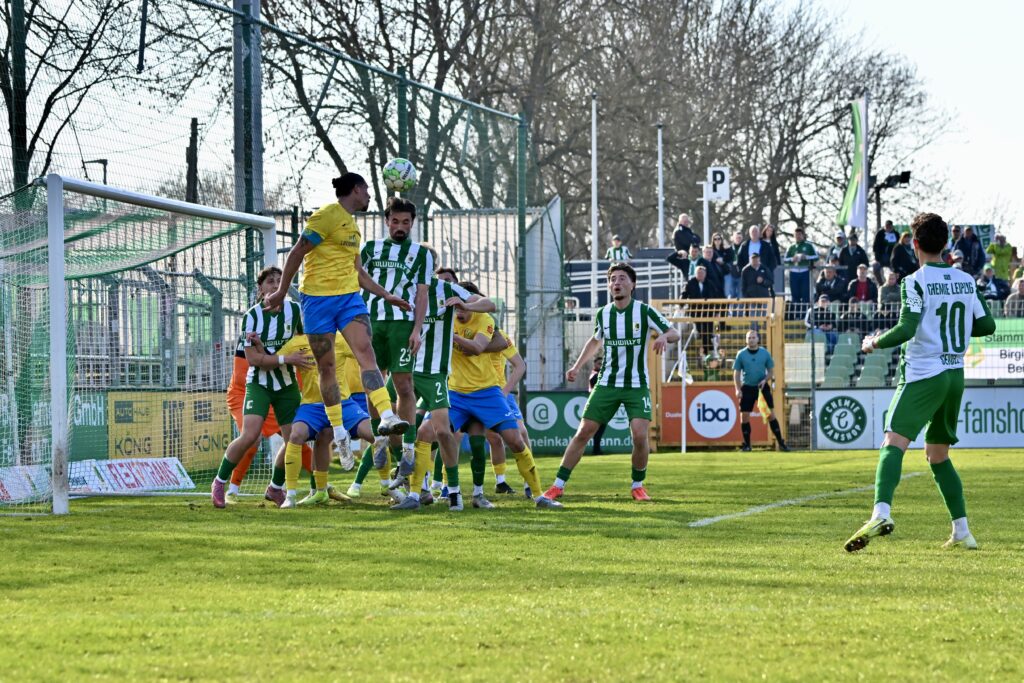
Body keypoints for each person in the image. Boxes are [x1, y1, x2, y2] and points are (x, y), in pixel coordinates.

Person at [844, 212, 996, 553]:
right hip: (954, 375)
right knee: (937, 455)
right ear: (946, 244)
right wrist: (953, 331)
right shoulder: (966, 280)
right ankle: (962, 531)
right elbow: (987, 326)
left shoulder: (915, 281)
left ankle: (881, 513)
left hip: (924, 374)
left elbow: (907, 328)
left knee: (892, 442)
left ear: (914, 244)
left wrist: (873, 342)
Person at [263, 173, 411, 448]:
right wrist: (282, 291)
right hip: (317, 300)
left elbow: (358, 273)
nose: (369, 195)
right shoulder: (327, 215)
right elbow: (297, 252)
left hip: (349, 299)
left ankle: (387, 415)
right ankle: (339, 431)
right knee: (327, 367)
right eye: (366, 189)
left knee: (366, 352)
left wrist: (386, 295)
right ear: (356, 189)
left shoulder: (354, 227)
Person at [542, 263, 679, 503]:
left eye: (622, 278)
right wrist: (576, 366)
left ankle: (637, 486)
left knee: (639, 435)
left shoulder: (644, 311)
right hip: (607, 383)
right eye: (613, 279)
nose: (617, 283)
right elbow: (595, 341)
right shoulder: (603, 314)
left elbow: (675, 333)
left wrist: (664, 337)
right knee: (583, 432)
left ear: (632, 284)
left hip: (636, 384)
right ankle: (557, 486)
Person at [389, 273, 497, 510]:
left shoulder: (447, 290)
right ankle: (412, 485)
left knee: (443, 432)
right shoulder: (402, 286)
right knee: (389, 420)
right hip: (405, 367)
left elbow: (490, 305)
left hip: (434, 373)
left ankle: (454, 491)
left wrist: (465, 304)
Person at [448, 284, 562, 510]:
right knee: (438, 435)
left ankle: (535, 492)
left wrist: (506, 390)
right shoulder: (445, 319)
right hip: (457, 391)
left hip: (493, 392)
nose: (459, 307)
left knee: (517, 436)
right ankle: (435, 488)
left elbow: (516, 361)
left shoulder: (488, 324)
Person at [211, 266, 314, 508]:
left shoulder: (295, 310)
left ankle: (275, 488)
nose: (276, 285)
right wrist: (287, 358)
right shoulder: (252, 317)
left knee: (295, 440)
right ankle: (220, 482)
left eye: (280, 281)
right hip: (259, 384)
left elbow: (304, 342)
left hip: (287, 386)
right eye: (270, 281)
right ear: (260, 288)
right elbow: (255, 360)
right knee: (250, 435)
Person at [359, 197, 434, 477]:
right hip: (371, 321)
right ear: (386, 221)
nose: (400, 226)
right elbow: (356, 278)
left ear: (413, 223)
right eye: (395, 221)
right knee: (373, 380)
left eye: (405, 222)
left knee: (404, 384)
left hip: (402, 324)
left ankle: (408, 448)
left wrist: (417, 329)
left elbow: (422, 294)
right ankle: (379, 440)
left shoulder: (422, 254)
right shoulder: (369, 248)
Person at [732, 329, 788, 452]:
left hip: (761, 388)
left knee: (770, 415)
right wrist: (738, 389)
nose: (751, 340)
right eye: (749, 338)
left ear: (758, 339)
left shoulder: (765, 353)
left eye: (753, 337)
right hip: (747, 387)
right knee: (744, 416)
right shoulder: (741, 354)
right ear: (746, 340)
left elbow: (771, 371)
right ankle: (747, 445)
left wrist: (765, 380)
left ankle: (781, 443)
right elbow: (736, 373)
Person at [784, 227, 818, 306]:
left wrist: (806, 257)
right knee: (795, 295)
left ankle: (805, 312)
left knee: (805, 294)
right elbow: (785, 259)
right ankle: (796, 312)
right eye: (796, 235)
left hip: (805, 272)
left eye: (799, 234)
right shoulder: (791, 247)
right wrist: (792, 259)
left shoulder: (809, 245)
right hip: (793, 272)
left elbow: (816, 257)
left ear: (803, 235)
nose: (798, 236)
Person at [588, 357, 607, 454]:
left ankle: (597, 449)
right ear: (594, 364)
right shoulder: (595, 375)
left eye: (602, 363)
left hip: (600, 404)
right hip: (598, 404)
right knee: (598, 429)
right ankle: (596, 450)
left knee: (599, 429)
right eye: (599, 363)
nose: (601, 365)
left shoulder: (597, 374)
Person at [711, 232, 739, 299]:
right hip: (716, 274)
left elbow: (732, 257)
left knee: (727, 293)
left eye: (719, 239)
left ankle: (728, 306)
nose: (717, 240)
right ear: (713, 240)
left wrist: (723, 259)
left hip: (726, 273)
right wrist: (716, 260)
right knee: (717, 292)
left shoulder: (725, 249)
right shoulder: (711, 250)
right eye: (715, 239)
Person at [872, 220, 899, 284]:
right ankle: (880, 284)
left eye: (890, 226)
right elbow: (875, 246)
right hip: (881, 256)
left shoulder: (896, 234)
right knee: (876, 268)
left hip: (892, 257)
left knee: (895, 271)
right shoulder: (880, 233)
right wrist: (877, 258)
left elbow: (898, 246)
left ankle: (894, 284)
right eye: (887, 226)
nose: (888, 228)